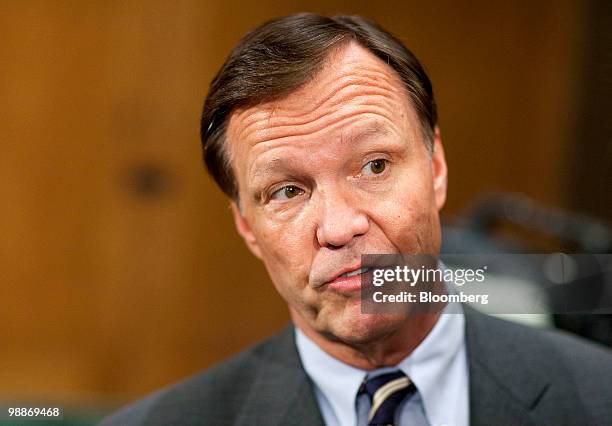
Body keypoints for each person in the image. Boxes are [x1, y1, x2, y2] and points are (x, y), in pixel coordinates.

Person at [100, 13, 612, 426]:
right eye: (287, 191)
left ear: (435, 168)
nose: (340, 227)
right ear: (247, 228)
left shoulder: (599, 398)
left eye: (374, 166)